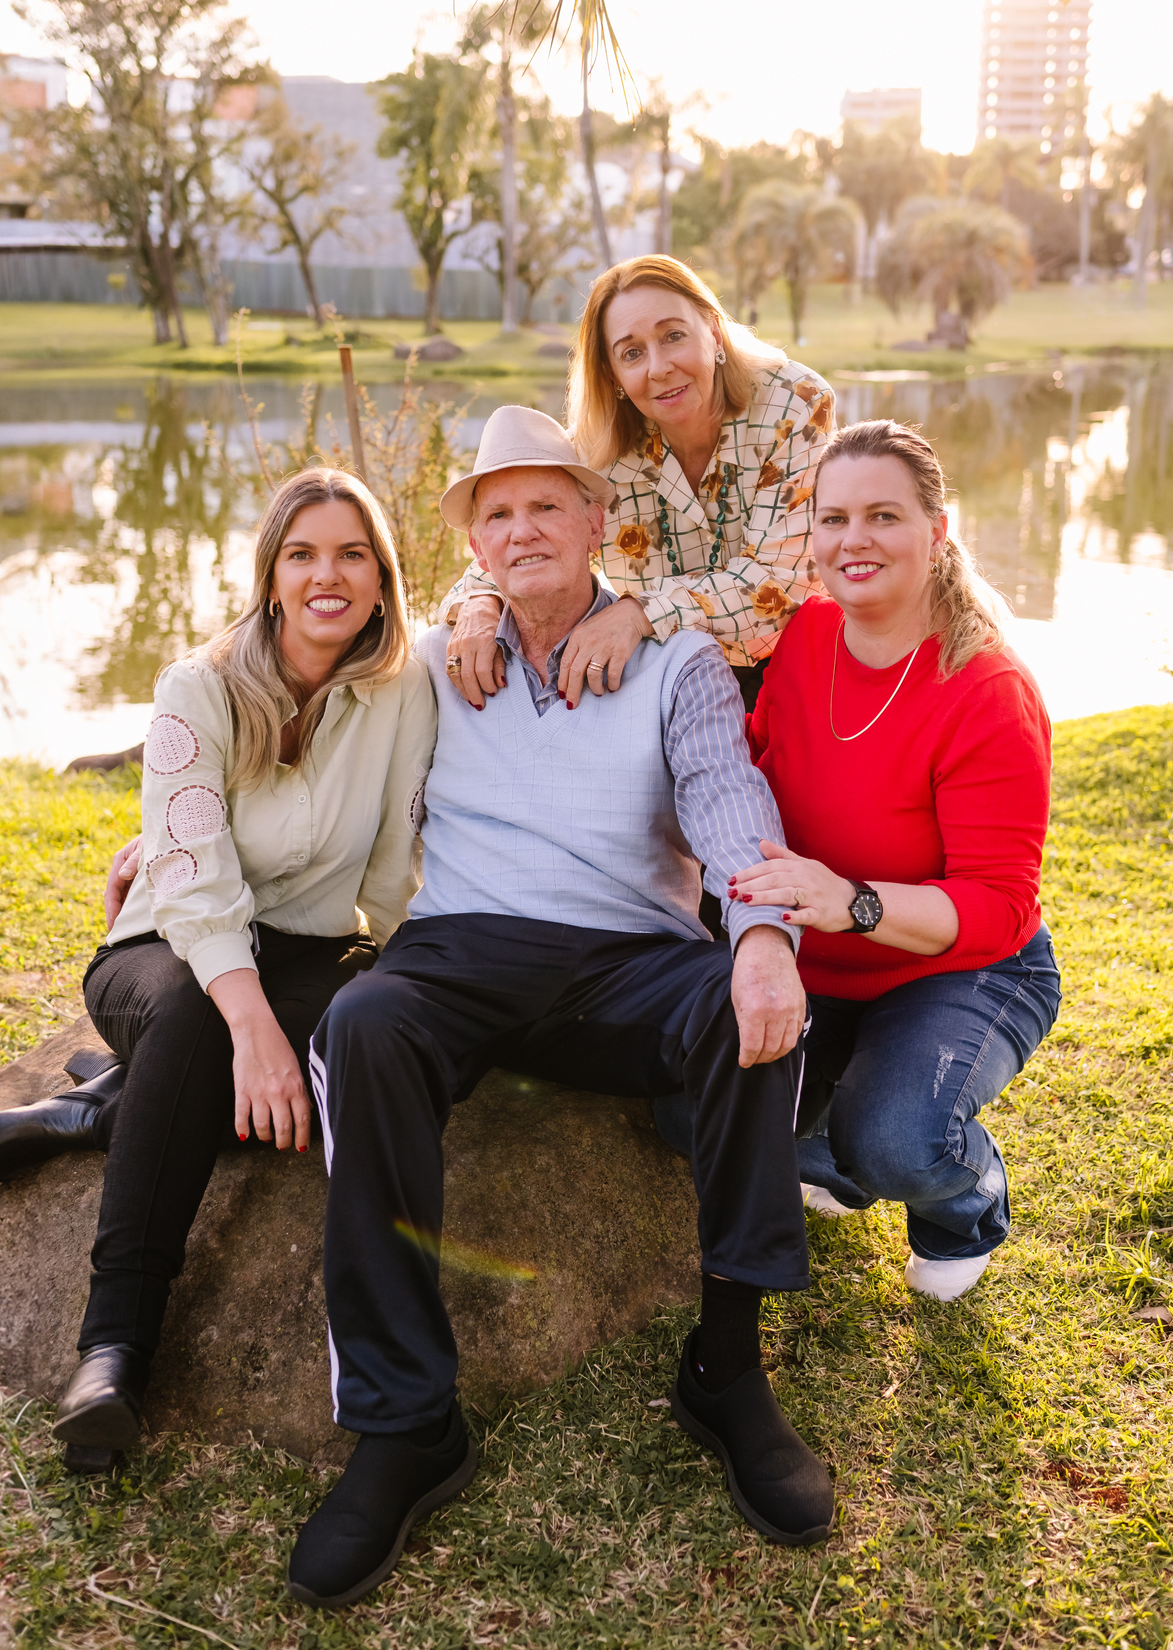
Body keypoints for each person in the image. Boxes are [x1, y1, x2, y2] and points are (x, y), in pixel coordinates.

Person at [285, 406, 834, 1611]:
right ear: (473, 545)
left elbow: (728, 803)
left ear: (597, 522)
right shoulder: (433, 655)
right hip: (461, 952)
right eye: (497, 512)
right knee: (363, 1026)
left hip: (625, 962)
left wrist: (760, 938)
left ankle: (727, 1374)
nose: (523, 528)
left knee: (744, 1013)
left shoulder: (675, 660)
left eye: (547, 505)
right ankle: (407, 1422)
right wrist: (168, 828)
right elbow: (298, 727)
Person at [0, 467, 437, 1469]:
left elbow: (398, 867)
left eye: (353, 553)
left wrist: (403, 973)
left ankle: (98, 1113)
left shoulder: (404, 687)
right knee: (197, 1020)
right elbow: (188, 879)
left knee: (353, 1048)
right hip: (164, 949)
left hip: (314, 951)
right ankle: (114, 1349)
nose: (329, 574)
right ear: (270, 575)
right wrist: (253, 1026)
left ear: (382, 576)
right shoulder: (200, 685)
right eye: (303, 553)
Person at [657, 420, 1061, 1304]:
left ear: (936, 531)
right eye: (832, 519)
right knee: (684, 1112)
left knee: (896, 1141)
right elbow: (755, 774)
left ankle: (965, 1201)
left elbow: (998, 908)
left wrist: (855, 903)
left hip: (960, 966)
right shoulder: (804, 635)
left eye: (883, 515)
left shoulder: (987, 690)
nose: (854, 541)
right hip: (817, 958)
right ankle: (839, 1152)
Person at [441, 255, 835, 717]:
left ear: (713, 330)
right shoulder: (596, 450)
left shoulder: (794, 404)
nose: (659, 367)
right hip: (665, 680)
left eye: (673, 336)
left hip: (795, 675)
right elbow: (524, 535)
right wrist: (479, 602)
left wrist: (638, 612)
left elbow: (780, 581)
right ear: (612, 375)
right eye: (631, 353)